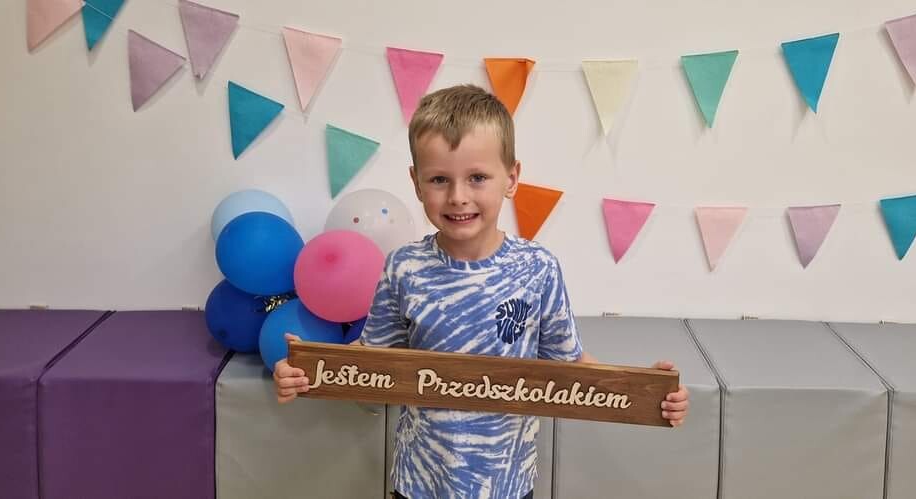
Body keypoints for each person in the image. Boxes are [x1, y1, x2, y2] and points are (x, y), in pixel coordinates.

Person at [274, 84, 689, 498]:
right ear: (416, 183)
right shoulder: (404, 268)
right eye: (439, 179)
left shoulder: (538, 268)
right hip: (419, 483)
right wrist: (308, 369)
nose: (458, 197)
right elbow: (369, 361)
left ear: (511, 178)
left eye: (477, 178)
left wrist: (645, 390)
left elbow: (572, 366)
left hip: (508, 484)